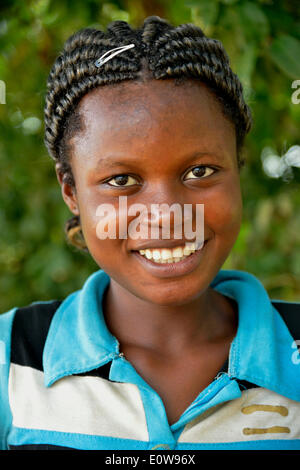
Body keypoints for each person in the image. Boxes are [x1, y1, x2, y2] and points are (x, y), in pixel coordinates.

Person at [0, 16, 299, 451]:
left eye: (200, 171)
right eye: (121, 180)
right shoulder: (13, 360)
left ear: (239, 169)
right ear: (71, 191)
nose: (167, 215)